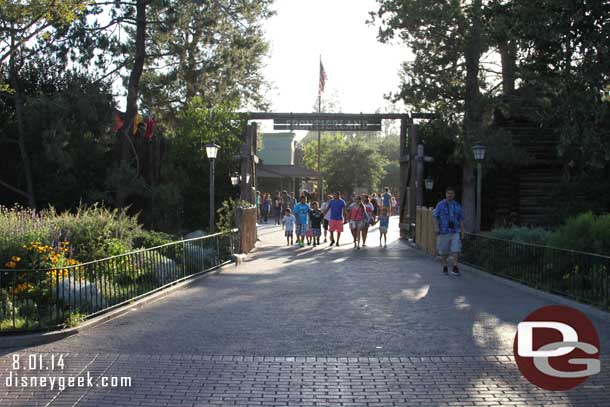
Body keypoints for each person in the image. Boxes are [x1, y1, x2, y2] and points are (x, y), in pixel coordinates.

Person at [432, 187, 465, 276]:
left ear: (454, 195)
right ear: (446, 194)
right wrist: (436, 228)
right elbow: (435, 216)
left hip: (455, 231)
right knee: (444, 250)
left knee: (456, 248)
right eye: (448, 193)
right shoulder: (440, 205)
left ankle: (455, 266)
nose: (450, 195)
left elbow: (461, 219)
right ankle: (445, 265)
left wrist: (462, 230)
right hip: (444, 231)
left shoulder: (457, 205)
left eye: (452, 193)